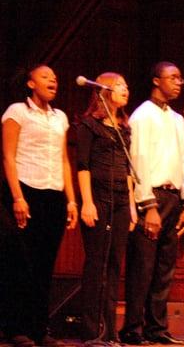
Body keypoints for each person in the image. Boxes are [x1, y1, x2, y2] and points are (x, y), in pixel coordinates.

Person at [1, 64, 78, 347]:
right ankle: (15, 328)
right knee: (22, 264)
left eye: (55, 77)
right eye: (45, 76)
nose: (53, 80)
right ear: (31, 83)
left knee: (45, 266)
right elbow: (9, 156)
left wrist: (71, 199)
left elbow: (63, 160)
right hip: (26, 192)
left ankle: (39, 328)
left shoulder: (60, 117)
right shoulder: (17, 112)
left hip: (54, 194)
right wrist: (18, 197)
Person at [119, 61, 184, 346]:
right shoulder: (142, 115)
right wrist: (148, 204)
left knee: (164, 268)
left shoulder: (176, 118)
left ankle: (156, 328)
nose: (178, 82)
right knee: (143, 267)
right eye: (172, 77)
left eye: (180, 77)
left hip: (173, 197)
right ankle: (133, 328)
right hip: (152, 197)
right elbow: (138, 160)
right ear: (155, 80)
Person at [76, 72, 136, 344]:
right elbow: (83, 166)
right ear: (104, 91)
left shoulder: (124, 129)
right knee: (97, 265)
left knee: (114, 266)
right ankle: (93, 332)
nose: (125, 89)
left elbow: (126, 171)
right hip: (98, 198)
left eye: (126, 85)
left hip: (122, 200)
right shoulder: (89, 125)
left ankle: (110, 332)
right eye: (119, 85)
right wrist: (86, 202)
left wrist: (132, 207)